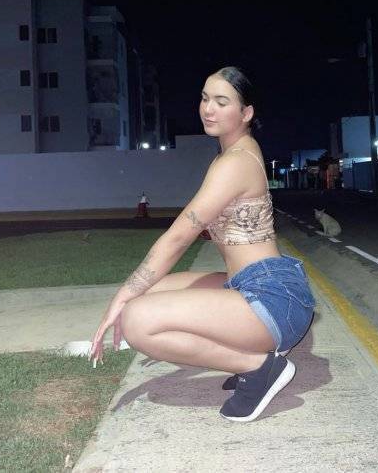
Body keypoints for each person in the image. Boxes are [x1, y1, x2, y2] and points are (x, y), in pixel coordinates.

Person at [89, 66, 316, 422]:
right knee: (149, 293)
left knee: (136, 320)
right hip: (255, 285)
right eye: (205, 98)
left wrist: (119, 297)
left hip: (272, 300)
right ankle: (250, 355)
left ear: (246, 113)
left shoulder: (235, 162)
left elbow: (179, 237)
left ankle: (257, 367)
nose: (208, 109)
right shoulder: (231, 154)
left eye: (222, 102)